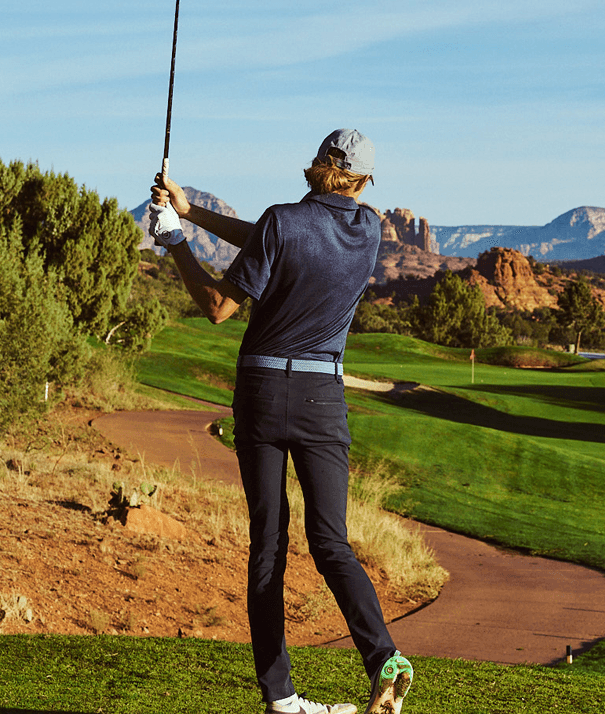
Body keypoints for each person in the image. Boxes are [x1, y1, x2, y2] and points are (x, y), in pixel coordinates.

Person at [146, 129, 413, 714]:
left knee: (268, 545)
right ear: (364, 180)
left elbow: (220, 307)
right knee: (332, 543)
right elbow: (276, 240)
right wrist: (192, 212)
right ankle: (383, 659)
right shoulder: (368, 231)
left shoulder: (280, 221)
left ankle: (281, 697)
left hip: (264, 392)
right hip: (324, 397)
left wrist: (176, 241)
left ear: (318, 164)